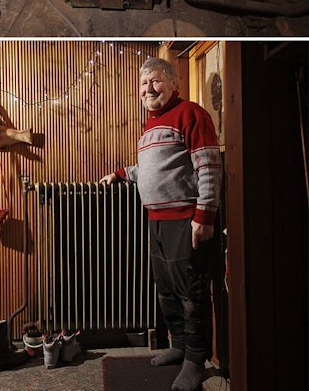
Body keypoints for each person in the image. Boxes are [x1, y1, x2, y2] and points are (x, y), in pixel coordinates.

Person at [100, 56, 223, 391]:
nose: (148, 89)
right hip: (155, 220)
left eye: (155, 81)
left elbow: (209, 167)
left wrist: (204, 217)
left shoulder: (191, 114)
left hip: (185, 220)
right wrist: (123, 174)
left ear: (174, 84)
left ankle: (195, 360)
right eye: (143, 84)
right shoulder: (149, 125)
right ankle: (180, 346)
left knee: (190, 293)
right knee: (166, 291)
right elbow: (155, 168)